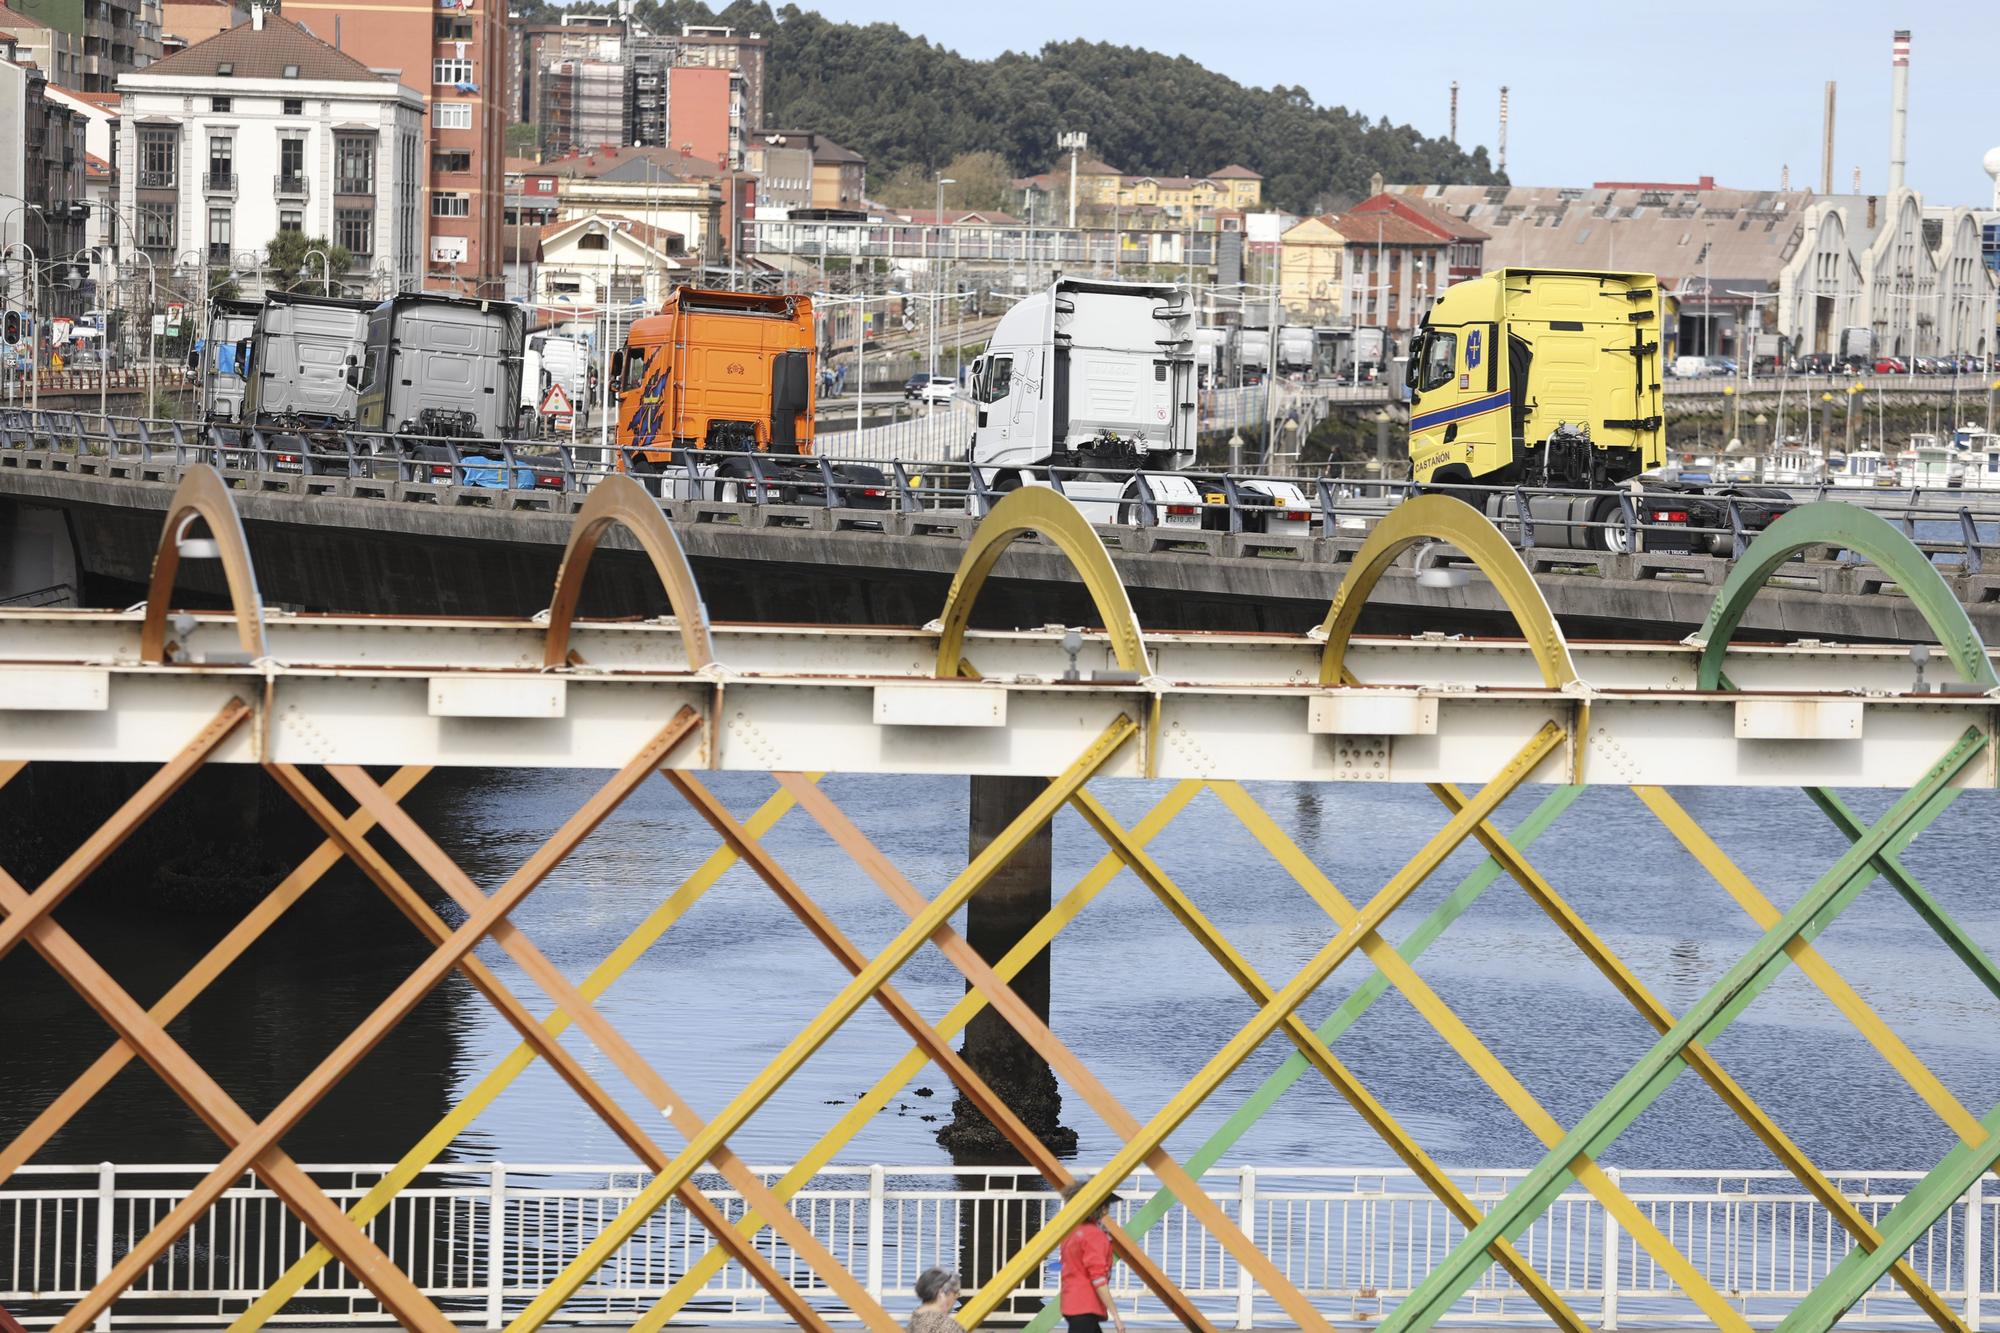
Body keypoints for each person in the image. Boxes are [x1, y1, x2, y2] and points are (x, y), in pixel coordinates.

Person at [1056, 1178, 1126, 1333]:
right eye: (1106, 1205)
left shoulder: (1071, 1233)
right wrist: (1116, 1316)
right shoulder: (1095, 1235)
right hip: (1086, 1305)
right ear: (1101, 1208)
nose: (1108, 1210)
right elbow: (1098, 1278)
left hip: (1071, 1302)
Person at [908, 1266, 959, 1332]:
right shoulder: (948, 1328)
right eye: (955, 1293)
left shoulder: (914, 1321)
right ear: (942, 1293)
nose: (955, 1298)